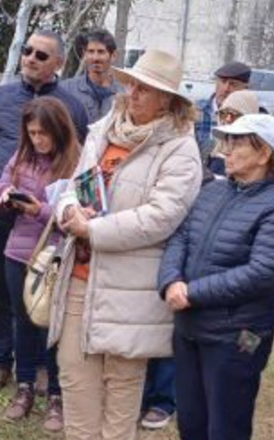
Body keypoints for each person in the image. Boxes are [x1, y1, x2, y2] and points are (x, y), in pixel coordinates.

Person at [50, 49, 202, 440]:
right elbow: (75, 185)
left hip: (131, 287)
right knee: (74, 376)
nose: (132, 93)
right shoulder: (104, 129)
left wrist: (93, 230)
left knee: (122, 384)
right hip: (80, 277)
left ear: (167, 100)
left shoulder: (180, 148)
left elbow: (162, 217)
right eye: (132, 84)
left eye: (144, 88)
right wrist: (69, 210)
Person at [159, 114, 274, 440]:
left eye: (237, 142)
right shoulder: (212, 191)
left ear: (263, 154)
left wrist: (192, 292)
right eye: (227, 141)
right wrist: (170, 281)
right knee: (191, 423)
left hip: (238, 336)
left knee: (226, 427)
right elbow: (180, 237)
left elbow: (262, 272)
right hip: (191, 328)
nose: (227, 150)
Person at [0, 29, 89, 396]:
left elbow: (81, 161)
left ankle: (41, 367)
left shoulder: (72, 106)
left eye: (41, 54)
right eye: (28, 50)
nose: (31, 58)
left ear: (59, 63)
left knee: (45, 292)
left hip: (46, 223)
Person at [0, 97, 81, 432]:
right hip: (18, 253)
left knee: (54, 326)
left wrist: (38, 209)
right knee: (23, 321)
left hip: (56, 256)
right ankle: (24, 388)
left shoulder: (77, 162)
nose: (38, 140)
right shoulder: (22, 156)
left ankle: (56, 395)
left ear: (59, 129)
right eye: (32, 133)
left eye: (44, 133)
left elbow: (79, 215)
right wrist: (5, 196)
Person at [61, 28, 123, 123]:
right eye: (91, 51)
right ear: (84, 54)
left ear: (113, 55)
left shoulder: (123, 94)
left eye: (101, 52)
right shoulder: (67, 90)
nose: (95, 58)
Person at [201, 89, 261, 178]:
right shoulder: (213, 147)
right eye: (223, 114)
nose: (227, 119)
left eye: (234, 115)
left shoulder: (257, 157)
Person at [195, 61, 251, 151]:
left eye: (233, 84)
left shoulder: (249, 118)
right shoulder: (196, 111)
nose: (226, 89)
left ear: (245, 89)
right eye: (223, 82)